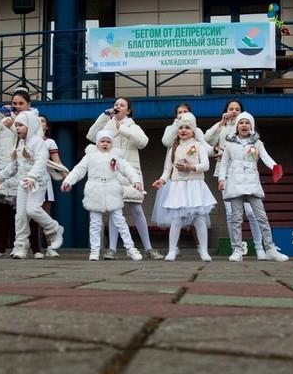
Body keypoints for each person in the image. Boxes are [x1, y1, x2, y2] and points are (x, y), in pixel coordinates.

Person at [87, 97, 161, 260]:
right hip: (112, 173)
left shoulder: (133, 127)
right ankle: (112, 249)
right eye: (116, 104)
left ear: (128, 110)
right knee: (115, 210)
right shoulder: (107, 125)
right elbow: (91, 136)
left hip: (131, 173)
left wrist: (123, 128)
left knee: (137, 208)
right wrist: (104, 117)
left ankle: (148, 248)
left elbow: (143, 142)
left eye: (122, 105)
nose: (118, 107)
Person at [62, 129, 144, 262]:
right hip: (95, 189)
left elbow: (127, 169)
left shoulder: (116, 156)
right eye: (102, 141)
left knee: (120, 221)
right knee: (95, 223)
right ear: (97, 143)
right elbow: (78, 170)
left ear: (112, 143)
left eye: (108, 141)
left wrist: (136, 180)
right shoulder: (90, 156)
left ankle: (130, 248)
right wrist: (68, 181)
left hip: (112, 189)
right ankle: (94, 250)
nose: (105, 144)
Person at [217, 112, 288, 262]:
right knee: (236, 219)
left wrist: (275, 167)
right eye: (241, 122)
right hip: (235, 185)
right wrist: (222, 179)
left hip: (252, 184)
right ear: (237, 126)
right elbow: (223, 164)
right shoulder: (229, 144)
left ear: (252, 126)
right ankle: (237, 250)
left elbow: (266, 157)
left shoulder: (257, 143)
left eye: (247, 123)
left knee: (262, 217)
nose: (244, 125)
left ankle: (270, 249)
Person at [0, 110, 64, 259]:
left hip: (37, 182)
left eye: (20, 125)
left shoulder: (38, 142)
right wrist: (0, 176)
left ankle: (54, 228)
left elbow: (41, 161)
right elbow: (15, 165)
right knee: (20, 216)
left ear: (30, 126)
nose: (17, 128)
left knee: (32, 210)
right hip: (23, 183)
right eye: (16, 125)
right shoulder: (20, 143)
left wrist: (32, 176)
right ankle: (20, 246)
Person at [206, 100, 269, 260]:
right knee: (231, 214)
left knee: (251, 212)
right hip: (226, 174)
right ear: (226, 111)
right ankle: (237, 249)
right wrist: (221, 123)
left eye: (237, 109)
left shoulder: (246, 128)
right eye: (231, 109)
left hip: (246, 177)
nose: (233, 111)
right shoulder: (222, 128)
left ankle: (259, 247)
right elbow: (207, 139)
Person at [153, 112, 215, 262]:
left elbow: (206, 165)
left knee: (199, 220)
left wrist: (190, 167)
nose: (183, 130)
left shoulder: (199, 146)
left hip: (195, 185)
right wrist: (162, 180)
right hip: (178, 186)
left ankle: (204, 251)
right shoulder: (173, 148)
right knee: (176, 220)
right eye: (181, 128)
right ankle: (172, 251)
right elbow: (168, 169)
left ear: (193, 130)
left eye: (187, 127)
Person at [0, 87, 36, 257]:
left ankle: (25, 247)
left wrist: (13, 124)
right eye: (15, 103)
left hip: (23, 171)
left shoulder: (33, 119)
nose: (17, 106)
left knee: (24, 213)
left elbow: (29, 139)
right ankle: (0, 248)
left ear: (28, 105)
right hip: (4, 172)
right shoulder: (4, 118)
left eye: (21, 103)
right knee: (3, 212)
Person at [29, 114, 63, 259]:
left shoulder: (50, 142)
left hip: (44, 180)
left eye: (42, 121)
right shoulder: (27, 140)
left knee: (45, 215)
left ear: (47, 126)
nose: (39, 123)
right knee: (27, 215)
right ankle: (33, 248)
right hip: (28, 180)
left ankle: (50, 247)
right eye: (37, 121)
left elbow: (57, 162)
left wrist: (66, 176)